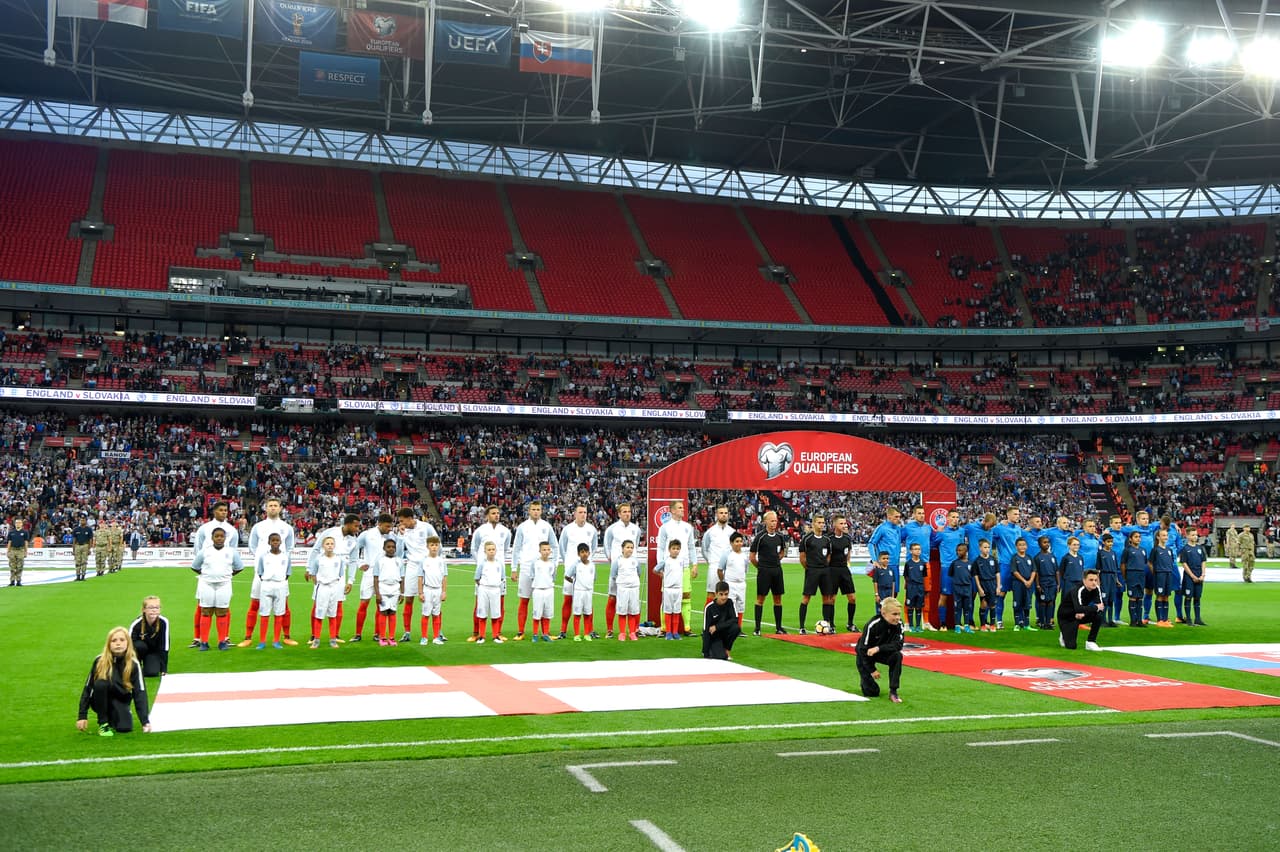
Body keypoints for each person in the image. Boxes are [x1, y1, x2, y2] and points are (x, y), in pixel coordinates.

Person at [77, 626, 151, 736]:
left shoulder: (134, 664)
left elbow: (140, 693)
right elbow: (88, 687)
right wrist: (82, 715)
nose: (118, 643)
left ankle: (114, 716)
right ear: (109, 644)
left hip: (121, 700)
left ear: (128, 643)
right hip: (100, 700)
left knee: (125, 728)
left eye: (122, 640)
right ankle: (103, 723)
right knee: (100, 684)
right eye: (114, 640)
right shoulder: (99, 660)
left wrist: (145, 721)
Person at [245, 497, 297, 647]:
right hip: (261, 574)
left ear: (280, 508)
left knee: (284, 605)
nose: (273, 508)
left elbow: (289, 548)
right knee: (255, 604)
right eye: (270, 506)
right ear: (266, 508)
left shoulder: (287, 528)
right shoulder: (258, 527)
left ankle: (286, 636)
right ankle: (248, 637)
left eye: (275, 505)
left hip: (280, 576)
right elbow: (253, 547)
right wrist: (263, 562)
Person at [191, 501, 239, 647]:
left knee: (224, 606)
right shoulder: (204, 529)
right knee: (202, 605)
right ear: (214, 512)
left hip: (223, 575)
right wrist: (203, 570)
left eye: (226, 510)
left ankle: (225, 637)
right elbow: (197, 549)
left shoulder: (232, 530)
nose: (224, 513)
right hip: (207, 573)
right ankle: (198, 638)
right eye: (221, 510)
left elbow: (233, 551)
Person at [511, 501, 557, 641]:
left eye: (538, 509)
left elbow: (555, 546)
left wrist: (554, 566)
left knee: (544, 601)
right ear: (529, 511)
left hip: (543, 569)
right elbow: (516, 548)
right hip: (525, 567)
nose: (536, 511)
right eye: (533, 509)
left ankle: (545, 633)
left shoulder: (546, 526)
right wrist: (514, 568)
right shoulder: (522, 527)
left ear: (541, 511)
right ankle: (520, 631)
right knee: (524, 600)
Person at [350, 514, 395, 642]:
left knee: (380, 604)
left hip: (385, 574)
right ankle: (358, 634)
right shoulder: (367, 534)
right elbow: (354, 548)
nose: (389, 529)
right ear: (379, 524)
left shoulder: (391, 536)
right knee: (364, 603)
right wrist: (359, 563)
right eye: (387, 526)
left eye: (390, 526)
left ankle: (377, 634)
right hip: (369, 573)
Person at [396, 507, 439, 644]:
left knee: (433, 600)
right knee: (409, 599)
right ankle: (407, 632)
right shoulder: (402, 532)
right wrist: (401, 535)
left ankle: (439, 632)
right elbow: (398, 552)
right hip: (413, 566)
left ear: (410, 518)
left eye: (403, 521)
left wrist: (438, 560)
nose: (401, 524)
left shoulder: (426, 527)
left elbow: (438, 543)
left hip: (428, 565)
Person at [655, 499, 697, 635]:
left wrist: (694, 564)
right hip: (670, 568)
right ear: (672, 510)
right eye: (679, 508)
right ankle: (664, 628)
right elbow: (660, 548)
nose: (682, 510)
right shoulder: (665, 527)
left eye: (683, 507)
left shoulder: (688, 527)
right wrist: (661, 565)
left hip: (684, 567)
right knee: (667, 597)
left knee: (686, 596)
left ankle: (687, 628)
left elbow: (691, 547)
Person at [470, 506, 511, 641]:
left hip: (498, 572)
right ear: (487, 515)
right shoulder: (480, 531)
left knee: (500, 603)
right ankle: (476, 633)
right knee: (479, 604)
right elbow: (474, 549)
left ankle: (497, 632)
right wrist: (481, 564)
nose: (496, 515)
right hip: (485, 574)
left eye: (498, 513)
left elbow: (505, 550)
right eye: (493, 513)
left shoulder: (505, 531)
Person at [557, 505, 598, 640]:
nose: (583, 514)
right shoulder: (568, 529)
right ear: (575, 514)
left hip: (586, 570)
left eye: (585, 512)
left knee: (588, 600)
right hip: (571, 568)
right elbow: (562, 547)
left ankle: (589, 630)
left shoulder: (591, 529)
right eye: (580, 512)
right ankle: (563, 630)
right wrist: (568, 563)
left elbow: (594, 547)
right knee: (568, 599)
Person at [602, 502, 641, 639]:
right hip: (618, 568)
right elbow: (606, 546)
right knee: (613, 597)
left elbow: (635, 545)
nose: (627, 514)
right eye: (624, 512)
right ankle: (610, 629)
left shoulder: (636, 529)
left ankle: (634, 629)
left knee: (634, 601)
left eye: (629, 511)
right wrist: (612, 560)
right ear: (619, 514)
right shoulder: (612, 529)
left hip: (631, 569)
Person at [855, 598, 904, 703]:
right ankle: (865, 680)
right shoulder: (872, 625)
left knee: (897, 656)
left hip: (881, 652)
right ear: (883, 613)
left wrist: (879, 648)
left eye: (899, 614)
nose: (898, 618)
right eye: (894, 614)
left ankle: (893, 691)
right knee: (872, 692)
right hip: (865, 654)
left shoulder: (899, 624)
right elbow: (862, 649)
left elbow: (898, 645)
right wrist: (872, 669)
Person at [750, 510, 788, 636]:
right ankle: (757, 628)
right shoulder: (760, 537)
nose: (773, 523)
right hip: (764, 571)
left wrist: (777, 559)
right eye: (771, 521)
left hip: (777, 571)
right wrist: (761, 567)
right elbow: (752, 556)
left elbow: (782, 551)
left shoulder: (780, 537)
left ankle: (778, 627)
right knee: (760, 598)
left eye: (775, 521)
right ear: (765, 521)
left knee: (778, 599)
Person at [310, 535, 349, 649]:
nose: (330, 546)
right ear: (323, 546)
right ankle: (316, 640)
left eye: (332, 544)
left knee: (333, 614)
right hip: (322, 588)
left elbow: (340, 574)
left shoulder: (339, 559)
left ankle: (333, 639)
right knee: (319, 614)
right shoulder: (318, 559)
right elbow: (313, 574)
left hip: (334, 588)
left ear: (334, 545)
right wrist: (320, 583)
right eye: (327, 544)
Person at [255, 532, 292, 649]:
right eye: (273, 540)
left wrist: (280, 581)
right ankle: (262, 641)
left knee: (279, 613)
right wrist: (267, 580)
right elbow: (260, 572)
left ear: (281, 542)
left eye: (277, 540)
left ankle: (276, 640)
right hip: (266, 585)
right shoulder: (264, 556)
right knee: (264, 614)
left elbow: (288, 573)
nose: (275, 542)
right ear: (269, 542)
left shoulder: (285, 557)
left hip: (280, 585)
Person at [931, 509, 965, 631]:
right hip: (946, 567)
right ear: (948, 519)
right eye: (953, 517)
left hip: (960, 568)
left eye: (957, 517)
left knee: (960, 596)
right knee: (944, 595)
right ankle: (943, 623)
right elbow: (932, 545)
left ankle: (958, 623)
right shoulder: (942, 533)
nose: (956, 519)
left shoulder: (962, 531)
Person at [797, 513, 830, 635]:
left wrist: (824, 566)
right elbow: (802, 557)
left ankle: (827, 624)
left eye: (823, 523)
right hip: (812, 571)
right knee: (806, 598)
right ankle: (802, 626)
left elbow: (828, 555)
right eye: (819, 522)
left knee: (827, 598)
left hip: (825, 571)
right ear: (814, 523)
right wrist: (810, 568)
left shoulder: (827, 539)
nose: (821, 525)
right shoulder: (807, 539)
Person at [991, 507, 1024, 629]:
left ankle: (1019, 621)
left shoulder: (1018, 529)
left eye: (1018, 514)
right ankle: (999, 620)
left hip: (1019, 564)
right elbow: (989, 534)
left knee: (1019, 593)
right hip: (1005, 564)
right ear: (1008, 515)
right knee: (1001, 593)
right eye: (1015, 514)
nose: (1017, 516)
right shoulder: (999, 529)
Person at [1057, 569, 1105, 651]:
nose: (1094, 582)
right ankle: (1064, 632)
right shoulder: (1077, 589)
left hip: (1081, 614)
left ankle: (1091, 642)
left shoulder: (1096, 588)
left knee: (1099, 616)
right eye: (1091, 580)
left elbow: (1101, 607)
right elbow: (1078, 608)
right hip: (1066, 617)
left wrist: (1085, 613)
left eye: (1095, 580)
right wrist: (1095, 608)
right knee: (1071, 646)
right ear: (1084, 580)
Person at [828, 513, 859, 632]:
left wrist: (848, 563)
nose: (844, 525)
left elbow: (848, 553)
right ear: (835, 524)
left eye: (845, 523)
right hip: (832, 570)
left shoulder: (847, 538)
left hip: (844, 570)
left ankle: (850, 624)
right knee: (832, 599)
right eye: (841, 523)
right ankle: (831, 624)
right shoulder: (829, 539)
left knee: (852, 598)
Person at [372, 537, 404, 646]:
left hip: (395, 589)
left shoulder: (399, 561)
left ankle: (391, 637)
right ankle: (382, 637)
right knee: (383, 612)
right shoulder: (379, 561)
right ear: (384, 548)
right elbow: (375, 578)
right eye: (388, 547)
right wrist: (377, 593)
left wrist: (402, 593)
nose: (391, 549)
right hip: (383, 588)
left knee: (393, 612)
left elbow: (402, 578)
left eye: (393, 547)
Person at [473, 540, 506, 644]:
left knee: (496, 613)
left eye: (493, 549)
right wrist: (484, 585)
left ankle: (496, 636)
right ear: (485, 551)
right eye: (489, 550)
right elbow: (477, 578)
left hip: (496, 589)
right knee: (482, 613)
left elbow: (502, 577)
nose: (491, 551)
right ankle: (481, 636)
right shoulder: (482, 564)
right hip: (484, 589)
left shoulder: (499, 564)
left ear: (496, 551)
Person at [701, 505, 735, 606]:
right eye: (721, 513)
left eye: (725, 513)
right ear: (717, 515)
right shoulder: (710, 532)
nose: (724, 515)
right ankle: (708, 620)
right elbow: (704, 549)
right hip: (714, 566)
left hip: (729, 568)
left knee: (728, 595)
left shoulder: (732, 532)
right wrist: (711, 561)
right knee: (712, 593)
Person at [418, 535, 448, 645]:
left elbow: (444, 577)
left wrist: (444, 591)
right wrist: (420, 592)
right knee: (426, 614)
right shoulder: (424, 561)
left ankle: (436, 637)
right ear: (427, 546)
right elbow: (420, 577)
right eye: (432, 545)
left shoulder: (441, 561)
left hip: (438, 590)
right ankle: (424, 637)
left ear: (439, 546)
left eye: (436, 545)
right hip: (427, 589)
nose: (434, 547)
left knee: (436, 614)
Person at [867, 507, 904, 594]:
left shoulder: (898, 529)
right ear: (889, 516)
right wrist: (874, 560)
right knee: (883, 594)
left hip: (895, 564)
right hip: (884, 566)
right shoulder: (882, 528)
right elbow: (871, 544)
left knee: (894, 593)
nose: (898, 519)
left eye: (899, 517)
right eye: (896, 517)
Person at [129, 596, 169, 677]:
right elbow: (128, 645)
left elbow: (164, 646)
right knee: (140, 646)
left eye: (157, 607)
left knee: (152, 672)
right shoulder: (136, 624)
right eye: (150, 608)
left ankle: (146, 667)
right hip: (138, 651)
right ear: (144, 609)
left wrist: (163, 669)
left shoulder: (164, 622)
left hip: (152, 652)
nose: (154, 610)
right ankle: (136, 666)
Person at [611, 538, 642, 642]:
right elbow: (613, 574)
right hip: (622, 589)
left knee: (633, 612)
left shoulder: (635, 560)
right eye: (628, 547)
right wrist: (622, 582)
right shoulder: (618, 561)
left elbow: (639, 572)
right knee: (622, 611)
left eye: (632, 548)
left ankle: (632, 632)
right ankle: (622, 633)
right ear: (622, 549)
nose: (630, 549)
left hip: (634, 588)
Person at [702, 581, 741, 660]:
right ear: (716, 594)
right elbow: (706, 631)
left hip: (723, 632)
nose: (724, 597)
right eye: (721, 594)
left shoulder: (730, 603)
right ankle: (711, 649)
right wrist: (705, 652)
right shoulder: (709, 608)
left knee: (736, 628)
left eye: (726, 594)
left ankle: (727, 650)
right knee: (721, 657)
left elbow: (735, 619)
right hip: (714, 636)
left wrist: (717, 627)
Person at [655, 539, 685, 640]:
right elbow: (655, 570)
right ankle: (668, 632)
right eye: (673, 548)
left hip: (678, 588)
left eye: (677, 549)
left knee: (676, 611)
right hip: (668, 589)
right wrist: (662, 575)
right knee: (668, 611)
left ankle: (675, 632)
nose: (675, 550)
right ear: (669, 549)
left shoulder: (681, 561)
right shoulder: (665, 561)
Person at [717, 531, 749, 626]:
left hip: (741, 584)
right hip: (730, 584)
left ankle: (738, 628)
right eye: (736, 541)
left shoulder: (744, 556)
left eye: (740, 541)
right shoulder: (727, 555)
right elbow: (719, 570)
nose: (739, 543)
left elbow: (745, 570)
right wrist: (724, 582)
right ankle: (729, 627)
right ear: (731, 543)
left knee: (741, 606)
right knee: (730, 606)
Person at [1149, 528, 1178, 628]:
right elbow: (1150, 563)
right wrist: (1156, 573)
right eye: (1163, 535)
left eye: (1166, 535)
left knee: (1166, 596)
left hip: (1168, 574)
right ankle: (1159, 619)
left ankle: (1165, 619)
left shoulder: (1169, 550)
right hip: (1160, 575)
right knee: (1160, 596)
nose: (1165, 537)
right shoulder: (1155, 550)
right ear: (1158, 537)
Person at [1179, 528, 1209, 625]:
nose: (1195, 536)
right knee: (1188, 597)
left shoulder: (1200, 548)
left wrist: (1203, 574)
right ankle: (1188, 618)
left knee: (1197, 597)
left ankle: (1198, 618)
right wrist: (1192, 576)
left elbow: (1203, 561)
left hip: (1199, 576)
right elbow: (1184, 563)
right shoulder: (1185, 549)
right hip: (1189, 577)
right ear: (1187, 536)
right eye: (1192, 535)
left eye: (1196, 535)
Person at [529, 540, 557, 642]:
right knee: (537, 613)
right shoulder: (535, 563)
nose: (546, 551)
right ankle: (535, 634)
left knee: (547, 613)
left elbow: (553, 577)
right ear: (540, 551)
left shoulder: (552, 564)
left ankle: (545, 634)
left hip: (549, 590)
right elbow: (532, 575)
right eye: (544, 550)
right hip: (538, 590)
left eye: (548, 549)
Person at [567, 542, 596, 641]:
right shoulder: (576, 565)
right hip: (579, 592)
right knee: (577, 613)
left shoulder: (592, 565)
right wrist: (574, 581)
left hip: (588, 592)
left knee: (587, 613)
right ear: (578, 554)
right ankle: (577, 634)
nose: (584, 554)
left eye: (586, 552)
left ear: (589, 553)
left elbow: (594, 578)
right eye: (582, 552)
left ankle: (587, 634)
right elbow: (567, 576)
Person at [1120, 530, 1148, 628]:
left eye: (1139, 537)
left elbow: (1145, 563)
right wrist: (1125, 577)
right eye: (1136, 537)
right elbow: (1123, 564)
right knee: (1132, 597)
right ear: (1131, 539)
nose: (1138, 538)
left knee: (1140, 597)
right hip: (1132, 574)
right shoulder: (1127, 550)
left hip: (1141, 575)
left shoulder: (1143, 550)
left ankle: (1139, 620)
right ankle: (1133, 620)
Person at [1009, 536, 1037, 631]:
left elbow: (1034, 570)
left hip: (1029, 584)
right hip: (1018, 584)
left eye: (1024, 545)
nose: (1022, 547)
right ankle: (1017, 624)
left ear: (1027, 546)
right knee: (1017, 603)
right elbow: (1014, 571)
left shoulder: (1029, 557)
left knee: (1027, 604)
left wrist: (1030, 581)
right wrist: (1024, 581)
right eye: (1020, 545)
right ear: (1016, 546)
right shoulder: (1014, 558)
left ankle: (1026, 624)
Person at [973, 538, 1001, 631]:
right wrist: (979, 588)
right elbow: (976, 576)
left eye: (988, 547)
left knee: (992, 604)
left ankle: (992, 624)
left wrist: (998, 586)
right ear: (980, 548)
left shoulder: (993, 559)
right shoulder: (977, 561)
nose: (987, 549)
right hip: (983, 584)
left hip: (992, 584)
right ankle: (983, 625)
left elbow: (997, 573)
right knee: (983, 604)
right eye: (985, 547)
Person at [1095, 533, 1123, 627]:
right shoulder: (1100, 553)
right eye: (1108, 542)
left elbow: (1115, 568)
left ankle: (1110, 620)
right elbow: (1098, 569)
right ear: (1103, 542)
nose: (1110, 544)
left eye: (1111, 542)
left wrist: (1117, 580)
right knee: (1104, 600)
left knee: (1111, 599)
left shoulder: (1113, 553)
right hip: (1104, 577)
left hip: (1112, 578)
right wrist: (1098, 581)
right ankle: (1103, 620)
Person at [948, 542, 975, 633]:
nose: (958, 552)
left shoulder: (971, 563)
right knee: (957, 607)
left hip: (967, 588)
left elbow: (972, 576)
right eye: (957, 550)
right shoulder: (954, 563)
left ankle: (967, 625)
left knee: (967, 607)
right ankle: (957, 625)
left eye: (960, 550)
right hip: (957, 589)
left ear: (966, 551)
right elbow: (951, 574)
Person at [1032, 535, 1058, 630]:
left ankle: (1049, 622)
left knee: (1051, 602)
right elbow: (1036, 572)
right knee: (1042, 602)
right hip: (1042, 581)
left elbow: (1056, 571)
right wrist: (1038, 585)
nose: (1047, 544)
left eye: (1048, 542)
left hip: (1052, 582)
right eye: (1044, 542)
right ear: (1039, 544)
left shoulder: (1052, 556)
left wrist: (1058, 583)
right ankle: (1042, 622)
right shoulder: (1037, 557)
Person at [902, 541, 928, 633]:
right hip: (911, 587)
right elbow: (906, 576)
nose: (917, 551)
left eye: (919, 549)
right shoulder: (908, 563)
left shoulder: (922, 563)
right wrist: (907, 586)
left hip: (920, 587)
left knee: (919, 607)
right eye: (915, 549)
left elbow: (924, 575)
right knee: (910, 607)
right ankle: (911, 626)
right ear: (911, 551)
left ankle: (918, 626)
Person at [6, 516, 30, 587]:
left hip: (21, 550)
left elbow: (26, 542)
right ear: (15, 524)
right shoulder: (11, 532)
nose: (18, 524)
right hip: (12, 550)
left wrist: (26, 551)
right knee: (12, 566)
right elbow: (9, 542)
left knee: (20, 566)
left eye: (19, 523)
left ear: (22, 524)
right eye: (16, 523)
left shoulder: (25, 532)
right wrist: (8, 551)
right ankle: (12, 581)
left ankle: (18, 581)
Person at [871, 550, 896, 616]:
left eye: (887, 558)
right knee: (881, 609)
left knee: (889, 609)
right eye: (883, 558)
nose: (886, 560)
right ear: (879, 559)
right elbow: (875, 582)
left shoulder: (891, 570)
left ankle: (888, 625)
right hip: (881, 591)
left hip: (889, 591)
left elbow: (893, 582)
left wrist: (893, 595)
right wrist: (876, 594)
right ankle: (880, 624)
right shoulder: (877, 570)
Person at [71, 514, 94, 582]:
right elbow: (74, 540)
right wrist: (73, 549)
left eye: (83, 520)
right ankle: (78, 576)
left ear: (86, 521)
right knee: (77, 561)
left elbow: (90, 540)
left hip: (85, 546)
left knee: (84, 561)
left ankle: (83, 576)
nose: (82, 521)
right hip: (77, 546)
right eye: (81, 520)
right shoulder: (76, 529)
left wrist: (89, 549)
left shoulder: (89, 529)